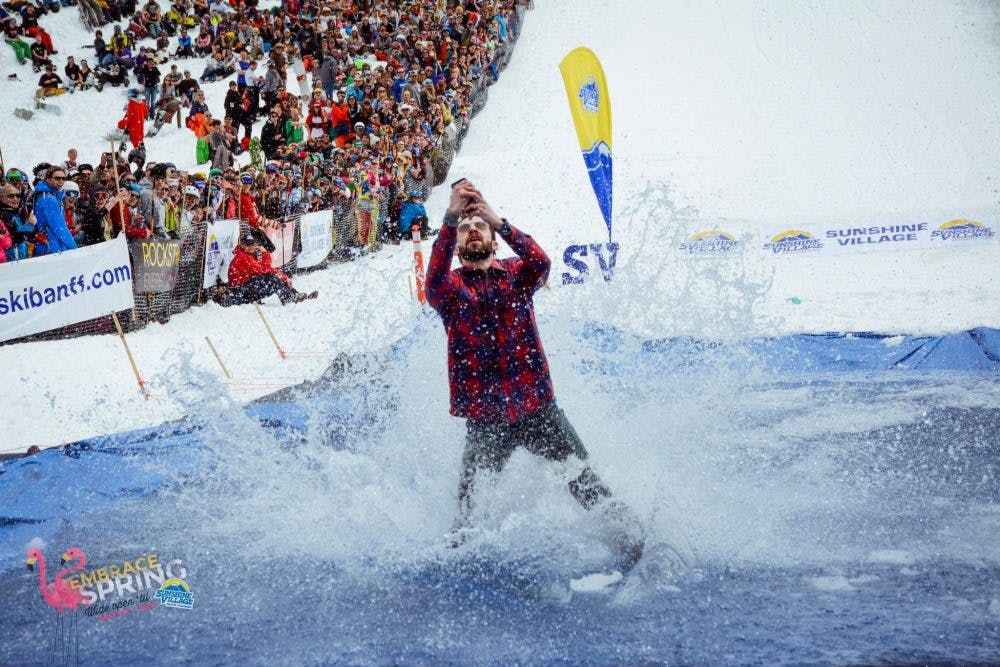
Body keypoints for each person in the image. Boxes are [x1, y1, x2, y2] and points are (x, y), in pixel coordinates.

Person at [425, 180, 645, 569]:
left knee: (584, 480)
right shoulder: (451, 289)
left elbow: (542, 262)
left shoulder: (516, 276)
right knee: (470, 508)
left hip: (537, 409)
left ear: (494, 242)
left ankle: (633, 541)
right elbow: (434, 280)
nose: (472, 230)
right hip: (486, 420)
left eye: (480, 227)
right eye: (465, 229)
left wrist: (497, 219)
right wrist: (449, 219)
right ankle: (455, 564)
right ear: (457, 247)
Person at [226, 230, 317, 305]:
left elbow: (264, 268)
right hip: (240, 293)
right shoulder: (243, 258)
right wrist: (265, 253)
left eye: (253, 244)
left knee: (272, 276)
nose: (252, 247)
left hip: (243, 289)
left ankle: (295, 295)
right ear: (242, 245)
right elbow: (265, 269)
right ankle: (290, 299)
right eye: (248, 245)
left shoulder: (246, 255)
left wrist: (283, 277)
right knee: (272, 278)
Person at [32, 165, 77, 255]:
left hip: (47, 242)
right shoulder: (48, 198)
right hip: (52, 245)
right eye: (57, 178)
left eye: (63, 178)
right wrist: (74, 248)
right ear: (48, 179)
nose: (61, 181)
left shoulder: (48, 195)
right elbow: (59, 228)